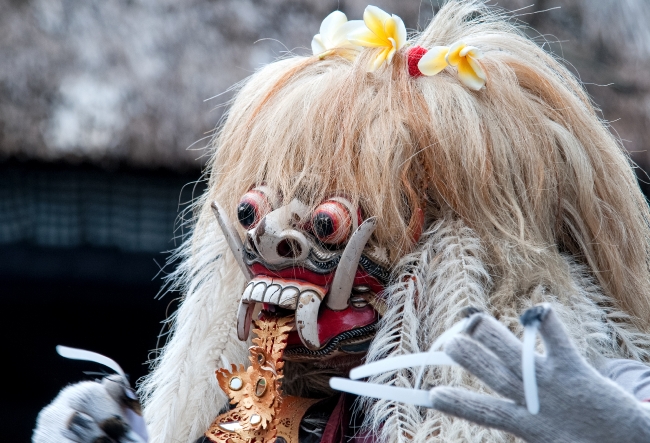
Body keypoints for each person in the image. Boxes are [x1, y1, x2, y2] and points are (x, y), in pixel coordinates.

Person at [34, 1, 650, 442]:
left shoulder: (578, 382)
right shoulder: (267, 415)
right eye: (254, 213)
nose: (278, 241)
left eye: (328, 225)